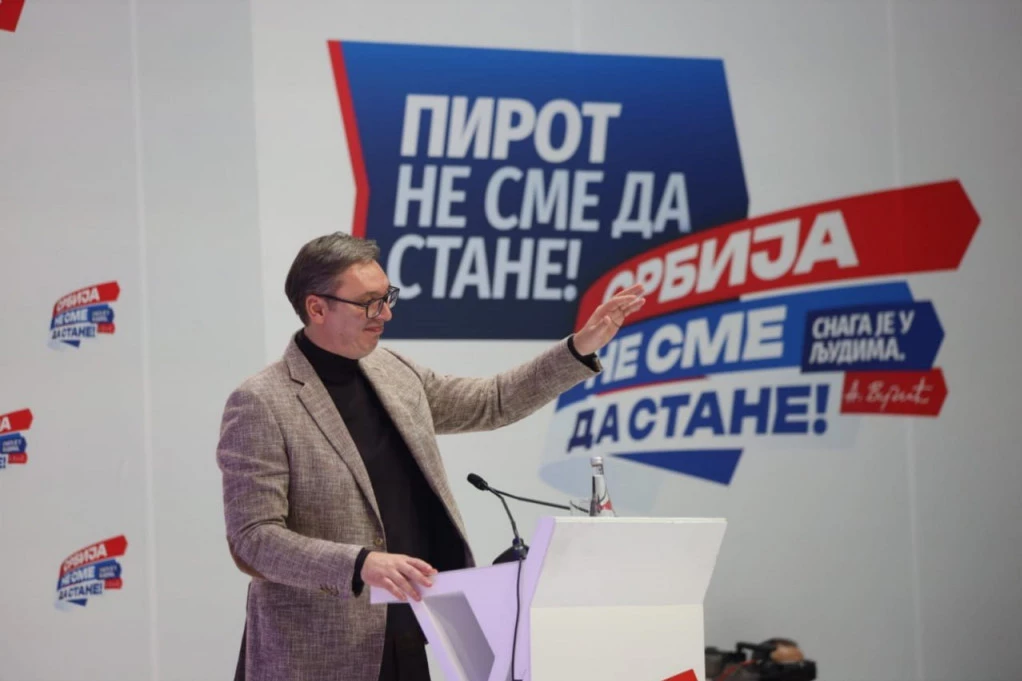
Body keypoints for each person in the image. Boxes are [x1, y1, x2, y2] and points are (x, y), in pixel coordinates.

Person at [216, 233, 644, 681]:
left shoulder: (393, 371)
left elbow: (492, 402)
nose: (386, 314)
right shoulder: (262, 402)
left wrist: (579, 348)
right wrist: (359, 563)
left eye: (387, 298)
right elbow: (253, 539)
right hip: (317, 650)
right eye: (369, 303)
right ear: (317, 308)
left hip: (410, 628)